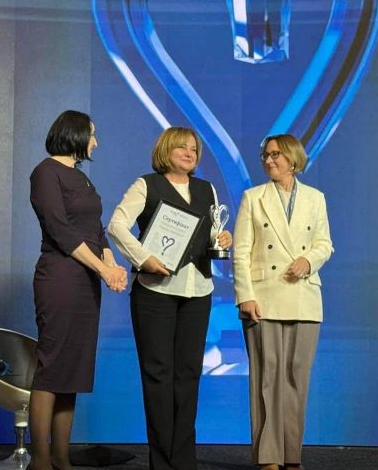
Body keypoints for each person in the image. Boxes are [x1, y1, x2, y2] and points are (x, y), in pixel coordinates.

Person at [107, 127, 232, 470]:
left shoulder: (206, 189)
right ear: (166, 150)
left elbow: (209, 235)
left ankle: (184, 461)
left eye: (194, 149)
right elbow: (116, 225)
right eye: (182, 147)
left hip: (198, 291)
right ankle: (162, 463)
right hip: (155, 293)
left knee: (189, 376)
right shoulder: (146, 185)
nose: (190, 153)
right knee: (158, 377)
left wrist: (222, 238)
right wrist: (142, 258)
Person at [28, 110, 127, 470]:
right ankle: (41, 461)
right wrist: (104, 269)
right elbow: (61, 230)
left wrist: (112, 265)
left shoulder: (81, 177)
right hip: (60, 278)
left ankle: (61, 459)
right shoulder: (45, 172)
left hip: (86, 281)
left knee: (73, 370)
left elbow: (95, 229)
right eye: (92, 134)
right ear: (75, 134)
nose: (95, 142)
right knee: (53, 367)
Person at [232, 134, 333, 470]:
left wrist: (309, 261)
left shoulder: (315, 198)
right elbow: (241, 251)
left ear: (293, 159)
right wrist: (245, 295)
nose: (268, 160)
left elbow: (324, 244)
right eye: (265, 155)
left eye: (275, 154)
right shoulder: (253, 197)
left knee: (297, 380)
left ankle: (292, 456)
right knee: (267, 378)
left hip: (304, 296)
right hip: (264, 297)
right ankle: (268, 457)